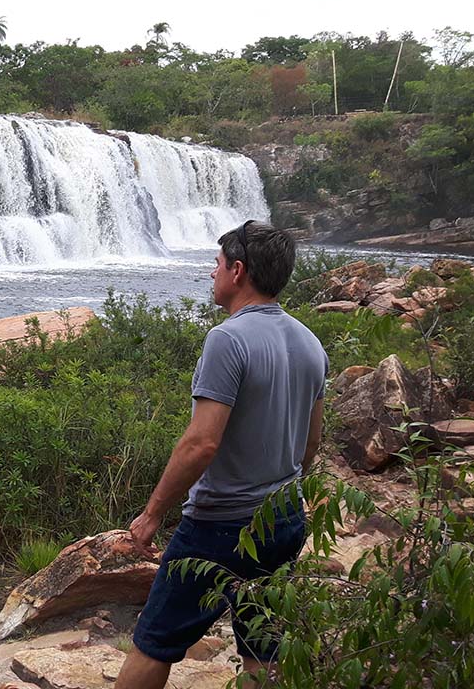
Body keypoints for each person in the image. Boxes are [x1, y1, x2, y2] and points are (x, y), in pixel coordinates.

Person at [114, 221, 328, 689]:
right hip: (283, 519)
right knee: (260, 645)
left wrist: (152, 515)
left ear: (237, 270)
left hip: (218, 527)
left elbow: (201, 443)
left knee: (155, 641)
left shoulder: (227, 340)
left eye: (216, 265)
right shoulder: (311, 343)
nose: (211, 274)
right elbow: (310, 443)